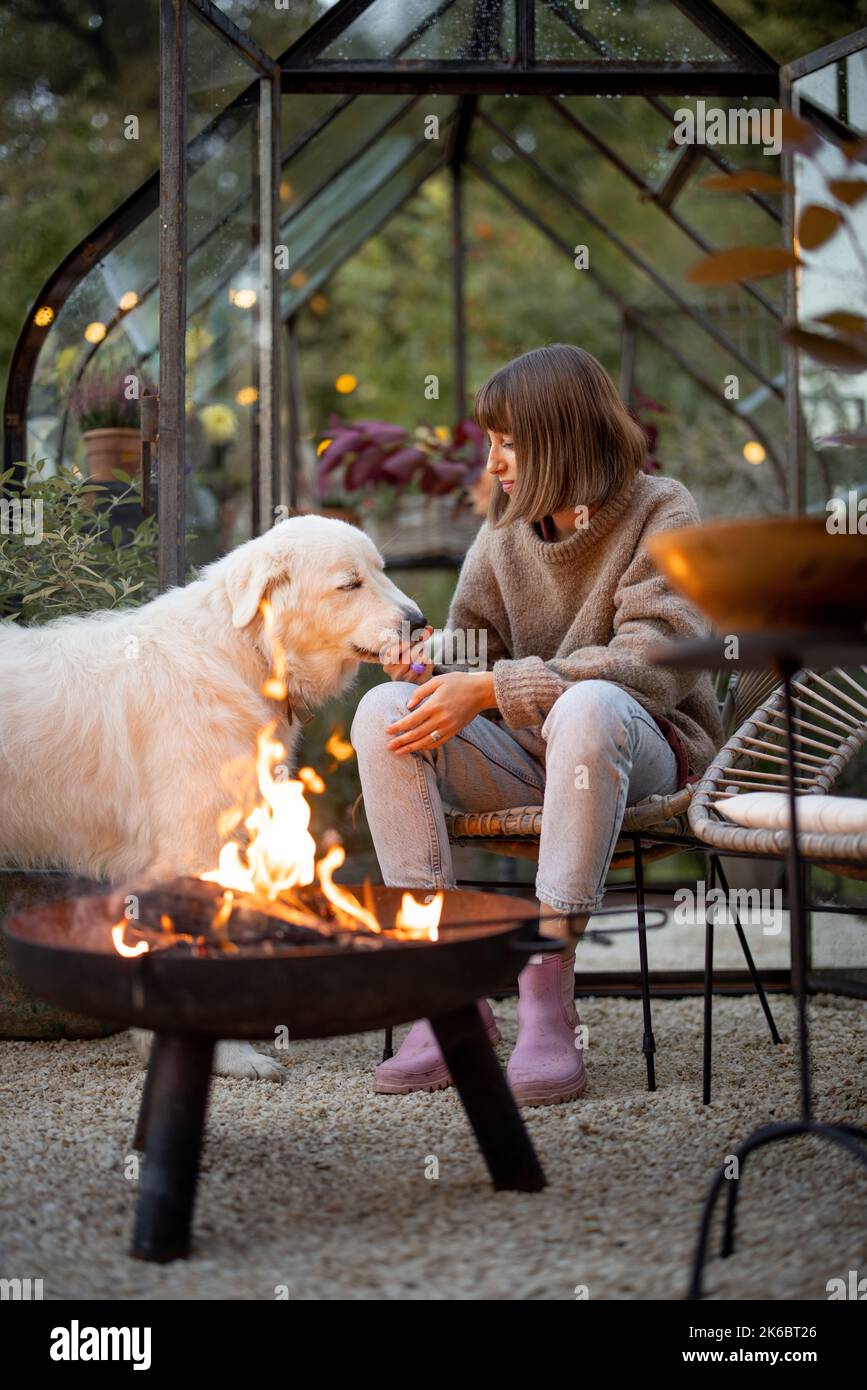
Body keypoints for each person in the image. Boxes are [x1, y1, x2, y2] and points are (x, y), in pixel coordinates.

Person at [350, 344, 723, 1106]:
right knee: (382, 711)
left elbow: (654, 665)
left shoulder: (662, 508)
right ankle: (446, 986)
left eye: (507, 443)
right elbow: (472, 645)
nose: (494, 461)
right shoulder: (505, 530)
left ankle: (546, 993)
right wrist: (428, 663)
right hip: (533, 753)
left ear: (561, 438)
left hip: (644, 747)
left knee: (587, 704)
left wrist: (490, 686)